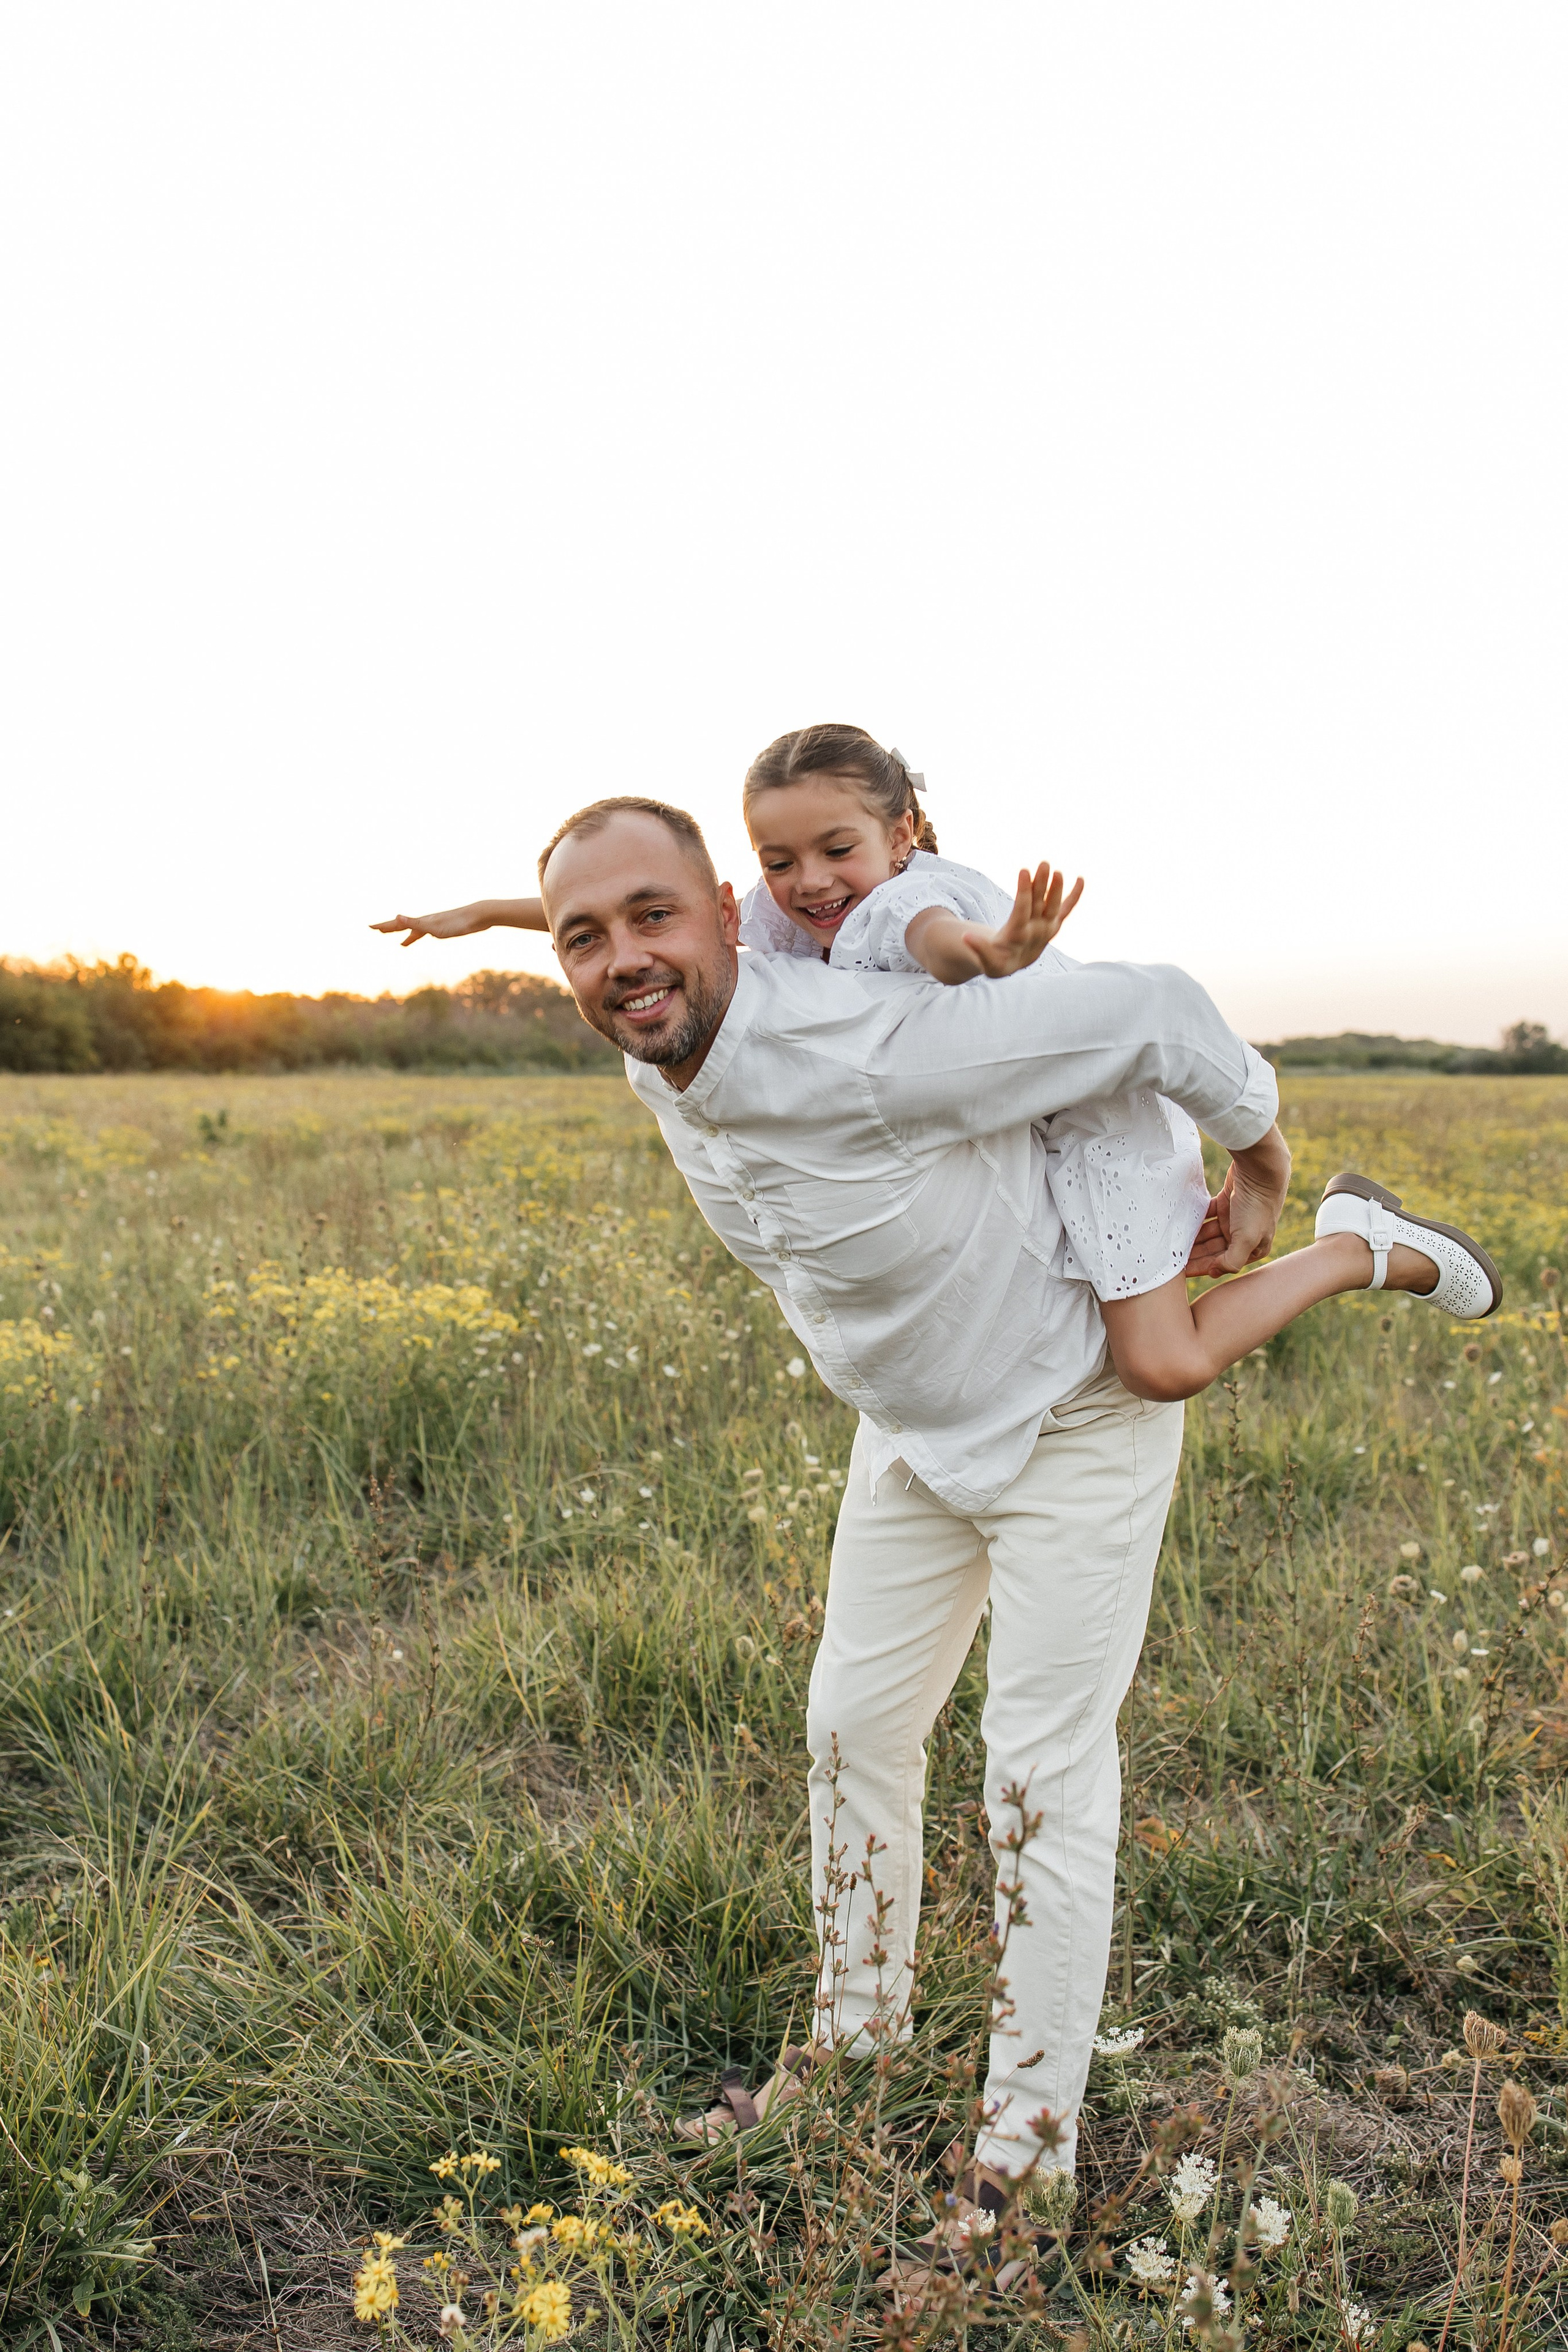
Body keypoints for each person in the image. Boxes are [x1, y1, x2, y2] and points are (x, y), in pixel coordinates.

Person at [374, 771, 1499, 2266]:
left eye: (654, 918)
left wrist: (1260, 1159)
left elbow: (1153, 1004)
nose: (619, 959)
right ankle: (850, 2046)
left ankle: (1023, 2159)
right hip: (911, 1434)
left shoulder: (876, 1040)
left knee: (1034, 1778)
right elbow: (611, 930)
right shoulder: (666, 1023)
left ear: (728, 921)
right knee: (848, 1726)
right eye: (584, 938)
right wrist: (500, 915)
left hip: (1070, 1419)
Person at [374, 726, 1500, 1408]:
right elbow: (623, 908)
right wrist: (484, 914)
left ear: (902, 834)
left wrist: (996, 953)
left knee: (1158, 1367)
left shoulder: (905, 900)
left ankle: (1363, 1251)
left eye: (837, 851)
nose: (813, 883)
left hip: (1092, 1118)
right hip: (1010, 1129)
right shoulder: (772, 913)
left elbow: (935, 949)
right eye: (780, 860)